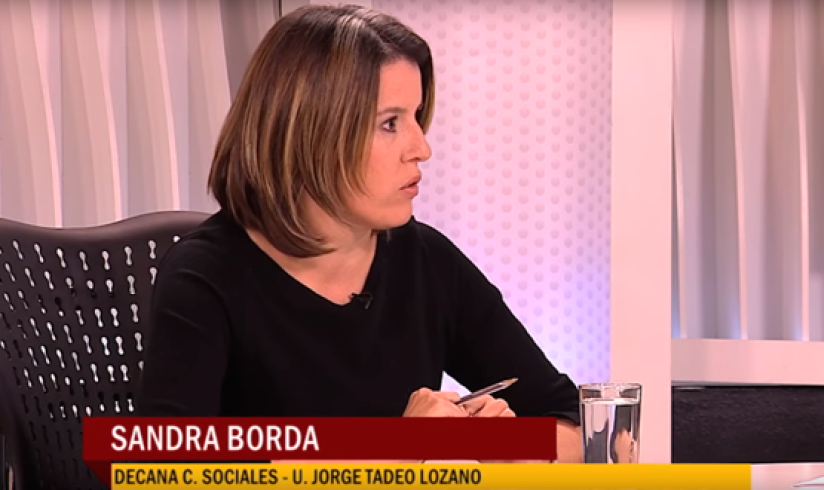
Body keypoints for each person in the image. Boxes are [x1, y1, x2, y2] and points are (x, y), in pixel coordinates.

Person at [136, 4, 583, 463]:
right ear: (310, 133)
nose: (421, 148)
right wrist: (398, 451)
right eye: (389, 123)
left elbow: (570, 417)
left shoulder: (425, 260)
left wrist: (505, 446)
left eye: (416, 116)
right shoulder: (205, 279)